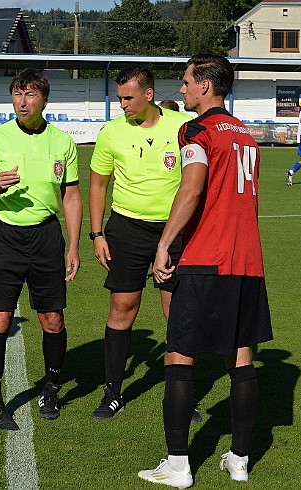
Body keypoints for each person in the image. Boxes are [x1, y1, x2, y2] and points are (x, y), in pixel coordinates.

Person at [138, 53, 273, 488]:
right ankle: (239, 458)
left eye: (186, 82)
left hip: (206, 258)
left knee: (178, 352)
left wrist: (163, 244)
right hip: (247, 260)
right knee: (241, 356)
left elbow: (192, 187)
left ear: (206, 86)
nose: (181, 89)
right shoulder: (246, 135)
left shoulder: (196, 129)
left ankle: (178, 465)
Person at [0, 68, 82, 430]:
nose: (22, 101)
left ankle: (50, 387)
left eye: (30, 95)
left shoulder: (63, 142)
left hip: (46, 238)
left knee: (53, 319)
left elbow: (72, 196)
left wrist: (74, 247)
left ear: (44, 100)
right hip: (4, 236)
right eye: (17, 94)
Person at [88, 66, 190, 420]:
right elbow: (98, 184)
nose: (122, 105)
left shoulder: (182, 127)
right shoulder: (111, 132)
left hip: (174, 231)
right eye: (119, 98)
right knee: (122, 308)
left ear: (148, 94)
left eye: (128, 98)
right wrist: (97, 233)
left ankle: (183, 396)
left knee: (176, 312)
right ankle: (112, 392)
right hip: (126, 229)